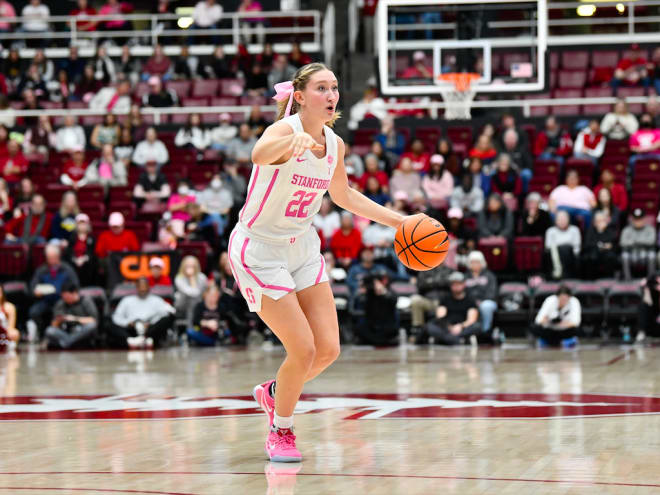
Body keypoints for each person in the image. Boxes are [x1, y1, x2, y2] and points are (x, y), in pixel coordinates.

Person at [227, 63, 424, 462]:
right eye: (321, 88)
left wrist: (402, 222)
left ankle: (273, 393)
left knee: (328, 350)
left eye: (334, 87)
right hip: (259, 249)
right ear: (299, 96)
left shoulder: (335, 144)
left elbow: (346, 196)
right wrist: (287, 146)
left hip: (301, 246)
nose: (331, 94)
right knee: (301, 348)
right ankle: (281, 430)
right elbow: (258, 153)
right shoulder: (284, 131)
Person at [26, 243, 79, 342]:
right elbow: (32, 287)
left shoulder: (67, 269)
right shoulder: (42, 270)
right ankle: (41, 332)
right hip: (45, 300)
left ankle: (56, 336)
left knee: (59, 311)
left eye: (53, 257)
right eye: (49, 258)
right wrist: (35, 292)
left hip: (62, 300)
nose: (51, 260)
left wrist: (67, 294)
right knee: (34, 312)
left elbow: (75, 286)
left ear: (58, 256)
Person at [110, 277, 175, 349]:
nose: (142, 289)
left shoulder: (157, 300)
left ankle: (147, 339)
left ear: (149, 287)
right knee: (110, 323)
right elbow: (117, 317)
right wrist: (128, 323)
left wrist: (150, 323)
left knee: (167, 319)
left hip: (150, 329)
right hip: (131, 329)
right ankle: (130, 340)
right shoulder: (126, 300)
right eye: (140, 286)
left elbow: (166, 312)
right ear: (136, 287)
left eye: (144, 286)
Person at [418, 271, 480, 345]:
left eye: (458, 284)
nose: (456, 286)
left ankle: (449, 339)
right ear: (450, 286)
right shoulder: (445, 298)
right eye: (454, 284)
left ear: (464, 284)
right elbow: (440, 317)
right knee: (429, 326)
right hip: (447, 328)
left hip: (463, 328)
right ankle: (455, 340)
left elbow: (472, 319)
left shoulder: (470, 299)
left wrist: (460, 326)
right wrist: (449, 327)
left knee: (477, 327)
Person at [44, 282, 98, 349]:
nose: (66, 299)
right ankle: (70, 342)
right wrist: (60, 320)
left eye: (67, 297)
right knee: (49, 330)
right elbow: (53, 324)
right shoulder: (61, 304)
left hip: (81, 332)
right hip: (66, 332)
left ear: (75, 293)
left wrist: (74, 319)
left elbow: (93, 320)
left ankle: (67, 343)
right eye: (64, 297)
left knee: (91, 326)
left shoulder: (86, 301)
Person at [352, 270, 399, 345]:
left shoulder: (390, 291)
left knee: (392, 332)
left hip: (386, 326)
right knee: (359, 328)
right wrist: (363, 291)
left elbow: (393, 301)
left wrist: (383, 292)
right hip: (371, 325)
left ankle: (378, 341)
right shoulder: (369, 292)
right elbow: (360, 303)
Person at [464, 250, 498, 335]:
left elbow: (492, 292)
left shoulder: (489, 275)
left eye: (477, 262)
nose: (475, 264)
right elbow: (463, 292)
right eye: (472, 262)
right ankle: (466, 333)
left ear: (482, 263)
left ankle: (485, 331)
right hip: (470, 302)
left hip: (487, 301)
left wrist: (481, 301)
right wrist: (473, 302)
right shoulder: (465, 276)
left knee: (485, 306)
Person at [620, 208, 656, 280]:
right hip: (631, 253)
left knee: (652, 255)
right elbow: (622, 243)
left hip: (645, 253)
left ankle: (650, 279)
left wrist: (634, 241)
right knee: (624, 255)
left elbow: (652, 241)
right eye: (636, 219)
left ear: (644, 219)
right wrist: (642, 241)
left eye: (640, 219)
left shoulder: (650, 229)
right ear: (632, 220)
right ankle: (628, 279)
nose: (638, 221)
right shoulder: (627, 229)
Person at [581, 211, 618, 279]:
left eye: (603, 220)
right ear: (594, 222)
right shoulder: (590, 230)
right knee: (590, 257)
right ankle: (591, 280)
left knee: (610, 257)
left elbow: (613, 244)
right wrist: (601, 245)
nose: (601, 223)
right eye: (599, 221)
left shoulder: (611, 230)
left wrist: (602, 232)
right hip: (593, 252)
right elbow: (587, 244)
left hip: (607, 253)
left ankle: (609, 279)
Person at [545, 210, 581, 279]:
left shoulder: (575, 230)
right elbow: (548, 247)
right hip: (554, 256)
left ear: (568, 220)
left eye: (564, 219)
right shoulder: (550, 231)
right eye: (560, 219)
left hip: (570, 256)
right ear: (556, 221)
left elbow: (577, 247)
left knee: (566, 248)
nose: (562, 221)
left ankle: (566, 276)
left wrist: (564, 248)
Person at [64, 213, 96, 287]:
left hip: (87, 262)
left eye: (83, 224)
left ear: (88, 225)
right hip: (74, 261)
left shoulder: (91, 238)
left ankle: (88, 286)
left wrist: (84, 258)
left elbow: (92, 252)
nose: (82, 226)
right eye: (79, 224)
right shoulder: (72, 237)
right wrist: (75, 259)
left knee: (90, 264)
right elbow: (69, 251)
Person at [174, 255, 208, 327]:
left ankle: (193, 329)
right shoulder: (179, 278)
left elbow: (204, 293)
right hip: (182, 306)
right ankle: (191, 329)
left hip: (199, 304)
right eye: (188, 266)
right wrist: (192, 278)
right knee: (192, 300)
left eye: (192, 266)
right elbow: (193, 293)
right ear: (183, 266)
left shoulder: (202, 277)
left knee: (195, 302)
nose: (190, 268)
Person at [0, 285, 18, 349]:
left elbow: (11, 326)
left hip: (4, 333)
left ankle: (9, 346)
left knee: (15, 333)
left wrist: (8, 332)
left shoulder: (9, 307)